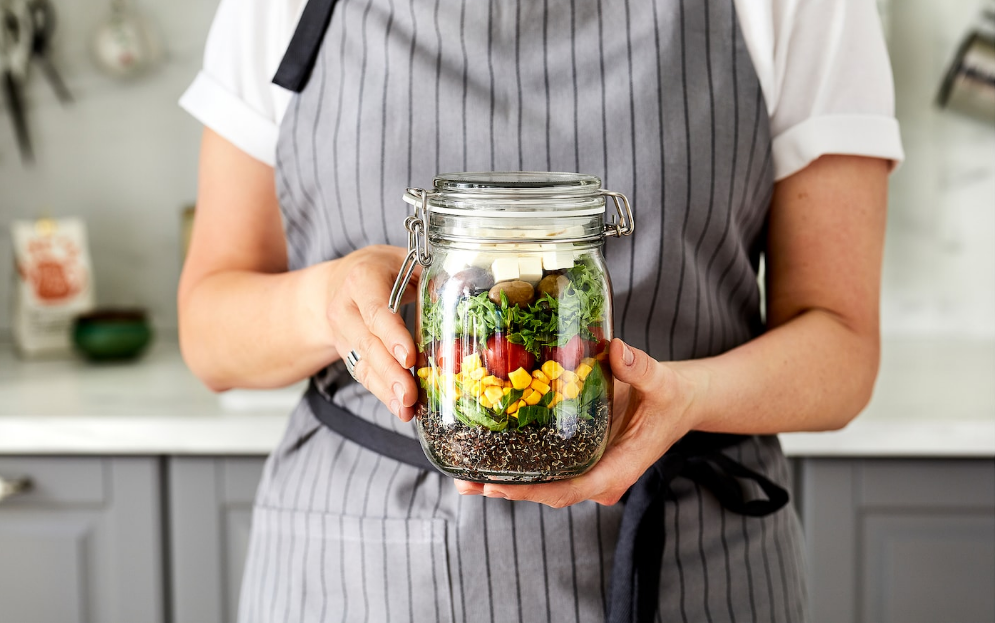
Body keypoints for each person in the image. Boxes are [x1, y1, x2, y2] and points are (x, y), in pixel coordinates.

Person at [178, 0, 903, 620]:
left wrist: (686, 396)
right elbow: (209, 335)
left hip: (691, 562)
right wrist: (325, 300)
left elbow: (841, 346)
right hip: (359, 571)